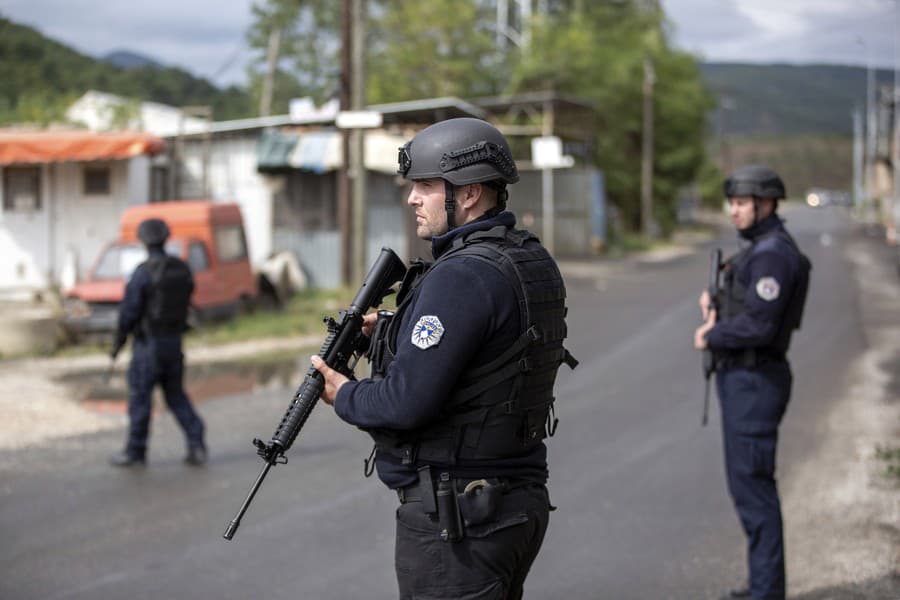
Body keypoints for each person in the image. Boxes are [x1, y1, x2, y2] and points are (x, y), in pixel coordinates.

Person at [311, 118, 576, 599]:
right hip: (513, 503)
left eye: (426, 186)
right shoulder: (528, 257)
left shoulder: (462, 275)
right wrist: (390, 337)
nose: (412, 198)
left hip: (458, 521)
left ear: (470, 194)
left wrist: (344, 393)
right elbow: (487, 355)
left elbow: (404, 403)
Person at [693, 165, 811, 600]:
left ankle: (766, 592)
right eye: (733, 203)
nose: (734, 211)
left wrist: (711, 334)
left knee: (754, 491)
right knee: (748, 490)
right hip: (743, 378)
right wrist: (718, 303)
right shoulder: (758, 249)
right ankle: (762, 585)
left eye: (742, 203)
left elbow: (760, 326)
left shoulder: (772, 254)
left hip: (755, 380)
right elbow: (748, 308)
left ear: (766, 204)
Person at [109, 217, 207, 467]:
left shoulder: (143, 273)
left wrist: (118, 343)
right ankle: (196, 443)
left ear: (143, 241)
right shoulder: (181, 268)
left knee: (141, 398)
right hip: (174, 343)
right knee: (175, 395)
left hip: (149, 346)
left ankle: (135, 451)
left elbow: (129, 312)